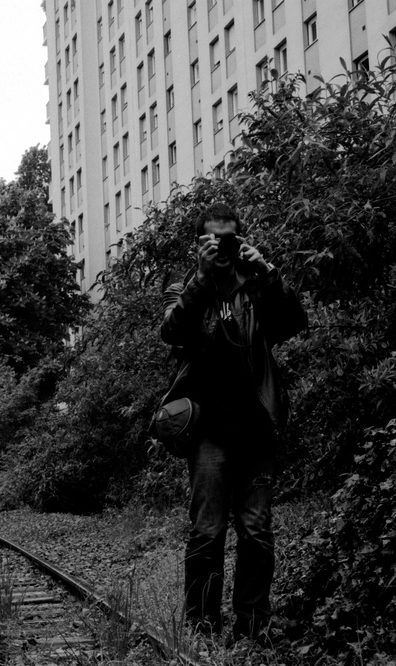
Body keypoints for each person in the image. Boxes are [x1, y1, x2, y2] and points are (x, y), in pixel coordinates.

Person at [159, 202, 308, 643]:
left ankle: (251, 629)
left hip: (257, 427)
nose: (222, 246)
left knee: (257, 532)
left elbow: (292, 322)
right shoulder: (184, 286)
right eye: (212, 238)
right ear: (199, 244)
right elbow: (173, 333)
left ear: (239, 239)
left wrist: (268, 272)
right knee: (207, 531)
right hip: (209, 432)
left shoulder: (254, 284)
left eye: (229, 238)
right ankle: (203, 629)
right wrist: (203, 280)